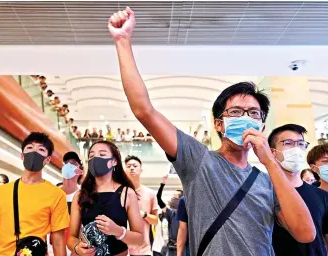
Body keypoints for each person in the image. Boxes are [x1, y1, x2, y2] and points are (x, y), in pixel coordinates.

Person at [108, 7, 315, 255]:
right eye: (236, 112)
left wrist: (269, 161)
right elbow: (144, 110)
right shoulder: (199, 160)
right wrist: (122, 41)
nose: (246, 118)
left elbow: (305, 232)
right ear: (219, 123)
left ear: (261, 125)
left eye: (254, 114)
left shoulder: (268, 181)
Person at [0, 132, 69, 255]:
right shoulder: (0, 192)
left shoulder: (57, 195)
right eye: (30, 148)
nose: (34, 152)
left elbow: (58, 240)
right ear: (22, 155)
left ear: (47, 159)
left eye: (41, 149)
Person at [268, 124, 328, 255]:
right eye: (288, 143)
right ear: (272, 152)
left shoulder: (322, 196)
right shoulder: (262, 193)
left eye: (301, 144)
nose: (296, 149)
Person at [67, 141, 143, 256]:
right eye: (91, 156)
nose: (95, 159)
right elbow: (71, 237)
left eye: (102, 155)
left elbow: (139, 239)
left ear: (114, 161)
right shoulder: (80, 195)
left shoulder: (126, 193)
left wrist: (118, 231)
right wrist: (77, 248)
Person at [124, 155, 159, 256]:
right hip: (122, 250)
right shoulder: (119, 193)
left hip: (143, 251)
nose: (131, 168)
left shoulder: (150, 193)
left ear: (141, 170)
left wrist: (144, 214)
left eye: (135, 166)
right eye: (128, 166)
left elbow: (155, 221)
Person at [156, 174, 183, 256]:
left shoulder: (188, 214)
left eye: (175, 197)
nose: (172, 199)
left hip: (183, 247)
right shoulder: (171, 213)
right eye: (172, 196)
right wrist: (162, 184)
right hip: (171, 248)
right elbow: (159, 199)